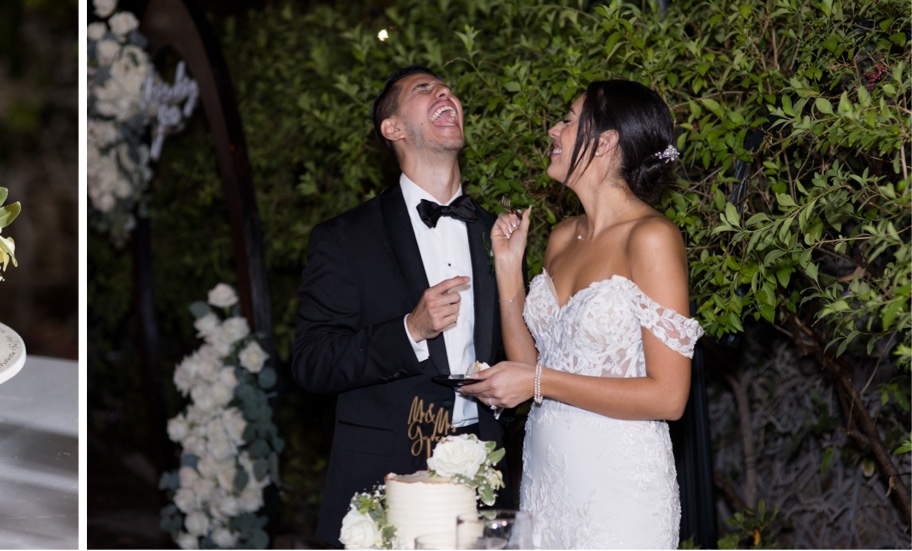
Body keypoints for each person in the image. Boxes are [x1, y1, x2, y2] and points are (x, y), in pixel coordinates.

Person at [461, 79, 705, 548]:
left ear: (607, 140)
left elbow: (669, 396)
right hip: (547, 477)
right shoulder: (560, 238)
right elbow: (534, 366)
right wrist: (509, 271)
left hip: (618, 487)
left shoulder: (650, 238)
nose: (554, 129)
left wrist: (538, 383)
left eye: (569, 120)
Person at [291, 65, 515, 547]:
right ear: (392, 129)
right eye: (424, 88)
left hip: (486, 474)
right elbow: (311, 363)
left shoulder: (497, 232)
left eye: (448, 88)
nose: (445, 91)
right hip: (383, 474)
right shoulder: (345, 238)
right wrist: (410, 330)